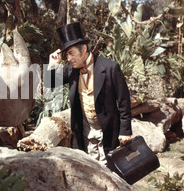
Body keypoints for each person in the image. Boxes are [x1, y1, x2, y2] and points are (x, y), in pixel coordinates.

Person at [47, 22, 132, 165]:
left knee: (110, 170)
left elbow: (124, 101)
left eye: (72, 53)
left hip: (108, 130)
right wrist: (52, 65)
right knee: (89, 169)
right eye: (67, 54)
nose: (69, 59)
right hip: (85, 130)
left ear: (84, 48)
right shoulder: (70, 69)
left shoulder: (110, 68)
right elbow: (51, 82)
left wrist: (125, 131)